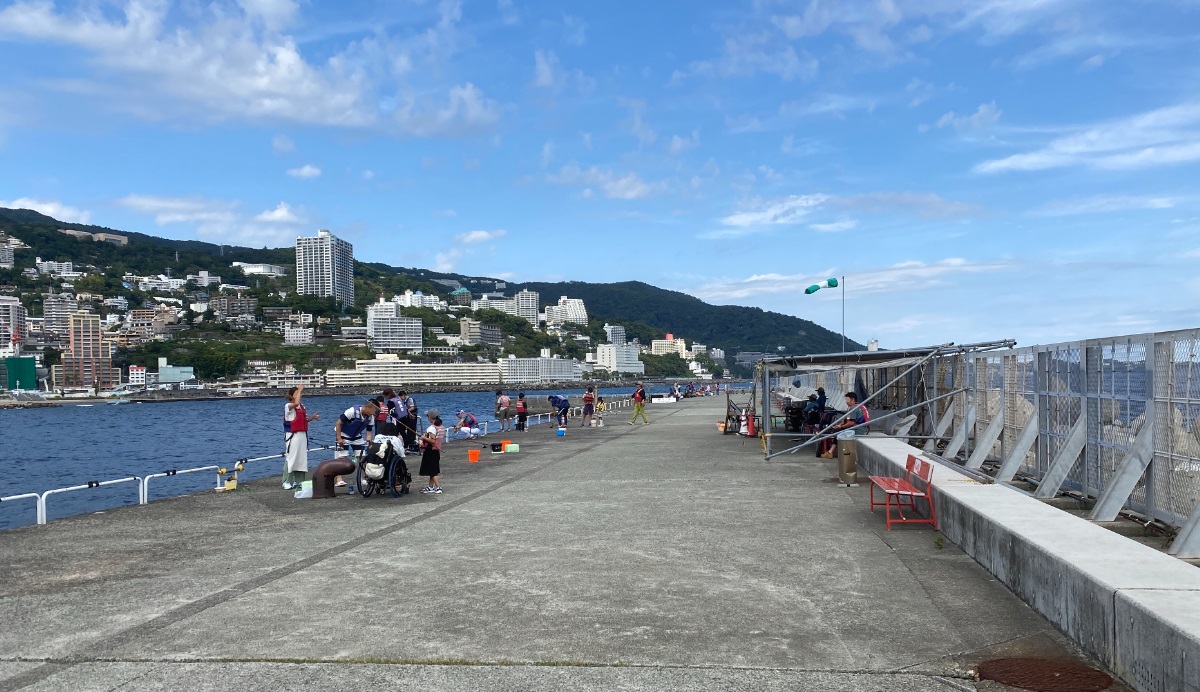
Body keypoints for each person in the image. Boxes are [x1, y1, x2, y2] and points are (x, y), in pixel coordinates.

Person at [283, 385, 319, 490]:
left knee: (301, 458)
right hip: (293, 435)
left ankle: (298, 481)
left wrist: (312, 417)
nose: (299, 395)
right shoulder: (288, 405)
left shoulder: (302, 406)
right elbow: (296, 403)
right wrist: (299, 390)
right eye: (296, 393)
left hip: (302, 434)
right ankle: (286, 481)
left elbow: (304, 419)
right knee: (291, 457)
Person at [334, 400, 377, 488]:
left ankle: (361, 478)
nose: (374, 413)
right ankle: (339, 480)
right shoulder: (351, 412)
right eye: (374, 410)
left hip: (356, 436)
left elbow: (369, 431)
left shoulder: (370, 417)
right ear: (368, 407)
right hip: (343, 434)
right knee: (341, 456)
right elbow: (338, 423)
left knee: (362, 457)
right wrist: (339, 438)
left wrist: (369, 440)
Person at [820, 392, 870, 458]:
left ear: (852, 400)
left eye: (847, 400)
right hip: (864, 428)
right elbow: (849, 420)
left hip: (859, 430)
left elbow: (851, 422)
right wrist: (841, 424)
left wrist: (841, 426)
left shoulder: (853, 408)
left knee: (838, 432)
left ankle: (830, 452)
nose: (846, 402)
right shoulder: (860, 406)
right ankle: (831, 451)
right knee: (839, 430)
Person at [419, 409, 445, 494]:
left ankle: (438, 487)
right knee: (432, 470)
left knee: (433, 471)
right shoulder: (440, 427)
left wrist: (423, 438)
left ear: (430, 417)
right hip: (436, 450)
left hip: (430, 450)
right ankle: (430, 487)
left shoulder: (431, 428)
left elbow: (433, 441)